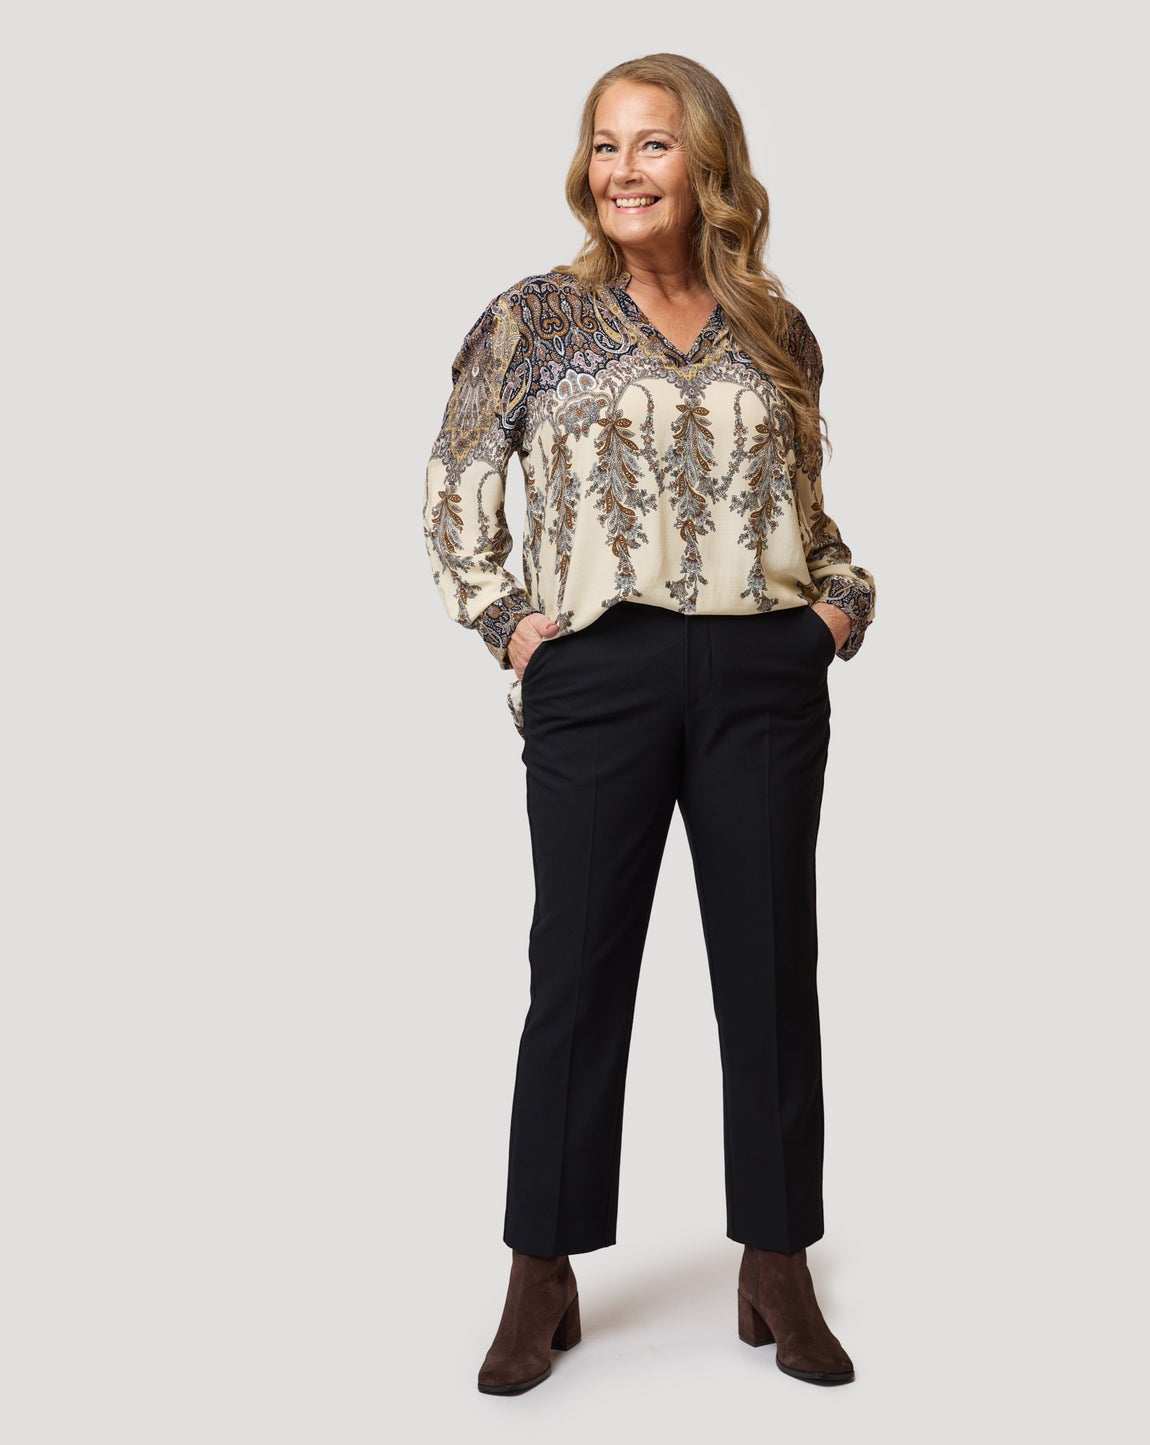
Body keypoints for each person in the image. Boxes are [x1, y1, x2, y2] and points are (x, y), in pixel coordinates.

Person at [422, 53, 877, 1394]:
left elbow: (806, 511)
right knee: (575, 972)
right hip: (598, 671)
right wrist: (513, 626)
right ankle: (541, 1270)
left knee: (770, 966)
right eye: (605, 144)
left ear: (707, 164)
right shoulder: (533, 319)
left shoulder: (774, 330)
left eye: (653, 144)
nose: (622, 169)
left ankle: (776, 1261)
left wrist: (834, 608)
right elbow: (455, 487)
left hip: (761, 672)